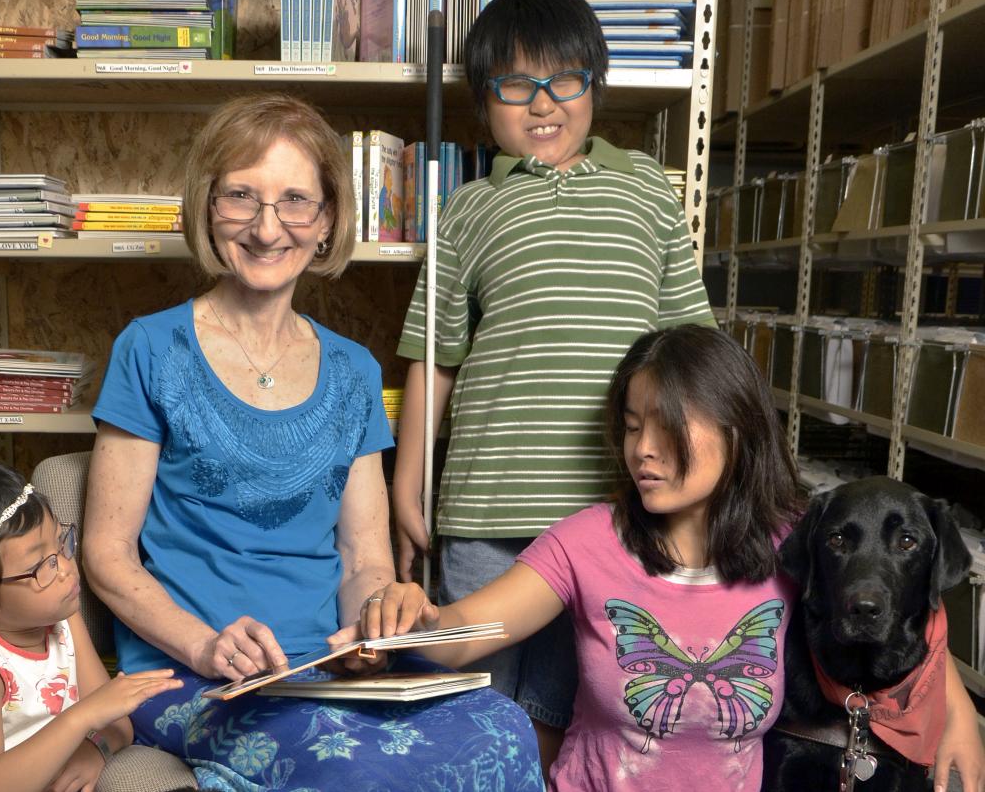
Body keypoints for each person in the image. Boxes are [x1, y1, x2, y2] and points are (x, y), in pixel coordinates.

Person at [83, 93, 544, 790]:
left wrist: (372, 623)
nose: (268, 229)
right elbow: (106, 556)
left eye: (296, 200)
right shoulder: (150, 348)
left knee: (503, 727)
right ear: (209, 207)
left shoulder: (354, 370)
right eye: (241, 196)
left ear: (327, 221)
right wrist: (205, 646)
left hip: (323, 665)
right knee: (352, 769)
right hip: (190, 670)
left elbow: (365, 556)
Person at [367, 325, 985, 791]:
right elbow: (464, 637)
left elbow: (892, 592)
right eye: (634, 426)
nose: (644, 450)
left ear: (735, 429)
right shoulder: (587, 541)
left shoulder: (794, 543)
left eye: (668, 427)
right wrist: (405, 608)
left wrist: (956, 711)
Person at [390, 0, 716, 773]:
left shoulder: (648, 191)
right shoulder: (469, 209)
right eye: (514, 85)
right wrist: (407, 487)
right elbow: (434, 356)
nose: (543, 103)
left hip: (615, 515)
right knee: (478, 714)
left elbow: (693, 356)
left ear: (594, 85)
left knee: (584, 717)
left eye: (564, 79)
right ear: (482, 102)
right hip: (487, 510)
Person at [0, 456, 182, 792]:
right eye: (42, 565)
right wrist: (83, 718)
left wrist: (95, 749)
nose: (66, 569)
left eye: (62, 543)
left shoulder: (60, 614)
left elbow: (117, 722)